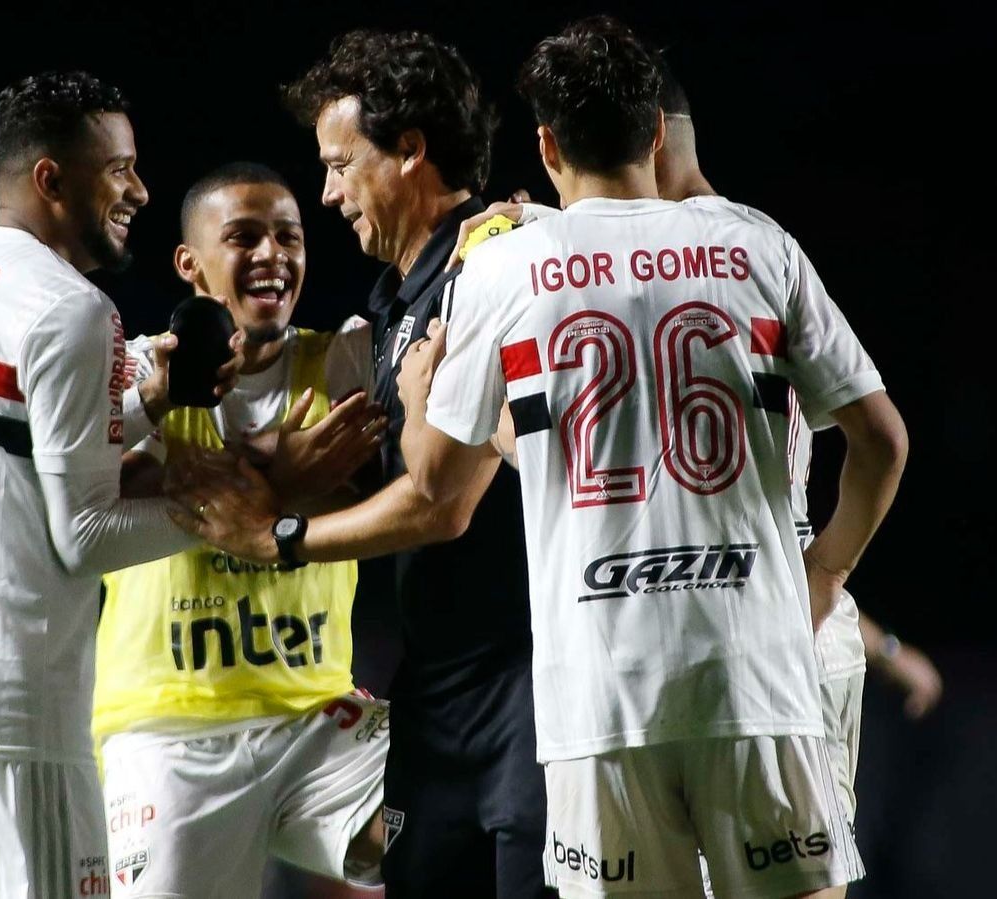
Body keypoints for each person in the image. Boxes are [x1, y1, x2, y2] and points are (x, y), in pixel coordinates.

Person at [395, 17, 907, 898]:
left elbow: (436, 486)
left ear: (546, 145)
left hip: (597, 694)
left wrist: (417, 397)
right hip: (754, 675)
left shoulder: (504, 266)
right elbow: (880, 440)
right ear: (657, 134)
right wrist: (823, 572)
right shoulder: (756, 244)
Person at [171, 30, 553, 899]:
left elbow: (439, 503)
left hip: (527, 689)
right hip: (434, 692)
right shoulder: (394, 305)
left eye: (342, 164)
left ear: (409, 151)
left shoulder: (492, 265)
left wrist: (281, 537)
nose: (329, 191)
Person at [0, 71, 244, 899]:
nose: (138, 188)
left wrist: (141, 396)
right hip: (7, 711)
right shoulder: (73, 306)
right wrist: (228, 506)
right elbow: (85, 534)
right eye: (119, 167)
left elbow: (6, 445)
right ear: (50, 179)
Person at [93, 161, 390, 896]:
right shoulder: (139, 372)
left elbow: (395, 497)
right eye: (244, 237)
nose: (272, 255)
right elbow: (87, 499)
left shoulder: (345, 359)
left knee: (464, 815)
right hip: (168, 730)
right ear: (191, 265)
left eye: (287, 237)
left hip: (318, 716)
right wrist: (282, 474)